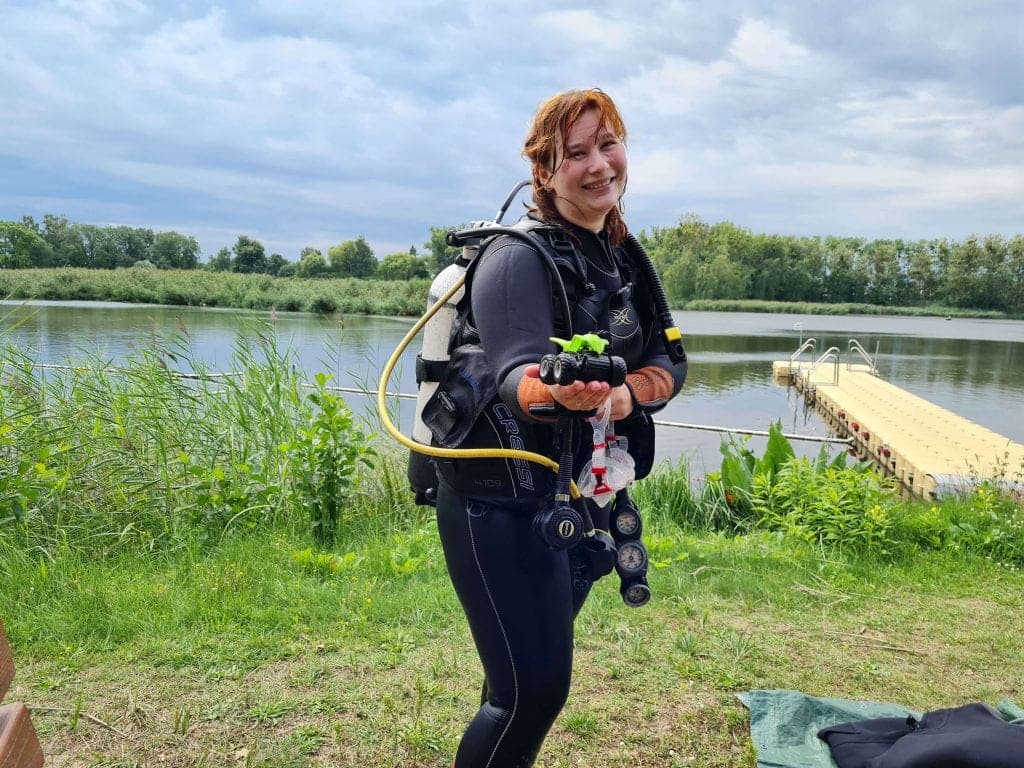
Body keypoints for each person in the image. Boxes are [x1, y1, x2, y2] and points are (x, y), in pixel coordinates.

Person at [431, 88, 687, 767]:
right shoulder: (519, 257)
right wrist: (563, 393)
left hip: (567, 498)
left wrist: (627, 393)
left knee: (516, 680)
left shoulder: (622, 257)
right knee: (529, 695)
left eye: (609, 144)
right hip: (498, 504)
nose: (599, 164)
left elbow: (669, 358)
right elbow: (518, 380)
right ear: (544, 172)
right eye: (576, 153)